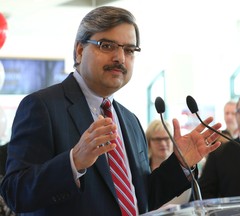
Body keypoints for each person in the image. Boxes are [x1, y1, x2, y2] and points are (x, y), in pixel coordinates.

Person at [0, 6, 222, 216]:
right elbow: (15, 193)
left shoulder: (130, 120)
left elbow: (141, 200)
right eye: (107, 46)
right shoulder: (42, 106)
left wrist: (180, 165)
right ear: (79, 50)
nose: (120, 58)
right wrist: (73, 162)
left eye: (129, 50)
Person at [145, 120, 191, 206]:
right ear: (148, 142)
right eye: (157, 139)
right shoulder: (141, 168)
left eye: (166, 138)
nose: (162, 143)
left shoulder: (183, 168)